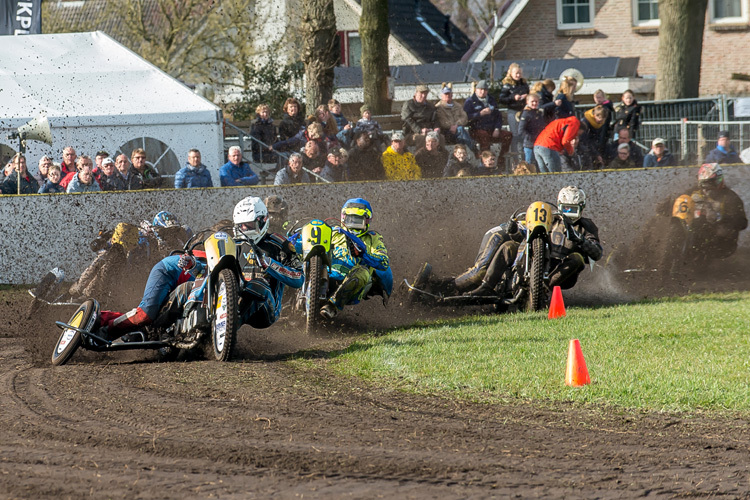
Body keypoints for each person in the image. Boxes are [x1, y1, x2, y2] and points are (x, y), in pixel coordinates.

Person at [160, 196, 305, 332]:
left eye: (249, 225)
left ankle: (227, 329)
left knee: (257, 285)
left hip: (266, 306)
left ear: (262, 221)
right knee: (185, 288)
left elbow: (299, 279)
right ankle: (156, 327)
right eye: (241, 226)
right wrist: (194, 266)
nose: (245, 230)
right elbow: (212, 271)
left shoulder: (280, 244)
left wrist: (270, 264)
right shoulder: (232, 243)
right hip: (230, 296)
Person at [465, 186, 602, 296]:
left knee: (577, 258)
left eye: (573, 209)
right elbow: (525, 238)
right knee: (509, 246)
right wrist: (513, 232)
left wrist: (580, 239)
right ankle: (487, 286)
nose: (568, 213)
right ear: (559, 205)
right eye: (565, 208)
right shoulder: (549, 218)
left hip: (562, 271)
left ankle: (543, 288)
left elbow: (597, 253)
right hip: (536, 261)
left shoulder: (586, 225)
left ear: (581, 208)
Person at [319, 198, 390, 319]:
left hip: (355, 282)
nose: (353, 223)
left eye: (358, 220)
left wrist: (363, 254)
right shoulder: (333, 232)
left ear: (367, 220)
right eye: (351, 219)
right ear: (343, 218)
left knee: (363, 272)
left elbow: (384, 262)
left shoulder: (373, 238)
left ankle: (332, 306)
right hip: (328, 275)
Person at [672, 163, 747, 259]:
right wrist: (669, 203)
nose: (708, 188)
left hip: (721, 243)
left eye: (712, 183)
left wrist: (720, 218)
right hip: (694, 229)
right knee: (687, 215)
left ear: (720, 180)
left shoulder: (730, 198)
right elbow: (679, 201)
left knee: (702, 223)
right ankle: (672, 248)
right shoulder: (694, 191)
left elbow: (743, 223)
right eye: (705, 183)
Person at [463, 80, 511, 154]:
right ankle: (485, 161)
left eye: (485, 90)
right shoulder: (470, 101)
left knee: (508, 135)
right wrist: (480, 114)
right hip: (476, 130)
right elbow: (466, 117)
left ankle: (501, 160)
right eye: (480, 89)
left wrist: (497, 128)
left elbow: (498, 116)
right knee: (484, 136)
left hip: (492, 130)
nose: (483, 92)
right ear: (476, 90)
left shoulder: (491, 100)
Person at [497, 63, 530, 153]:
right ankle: (516, 157)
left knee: (524, 134)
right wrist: (513, 97)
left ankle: (524, 156)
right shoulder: (507, 85)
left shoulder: (524, 84)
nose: (518, 75)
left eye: (519, 73)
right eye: (516, 73)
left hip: (523, 111)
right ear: (511, 73)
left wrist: (527, 97)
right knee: (515, 135)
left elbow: (529, 94)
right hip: (513, 111)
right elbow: (501, 99)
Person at [434, 82, 474, 149]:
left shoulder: (458, 105)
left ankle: (461, 153)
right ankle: (474, 149)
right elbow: (442, 122)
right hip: (446, 132)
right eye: (445, 94)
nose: (447, 95)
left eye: (449, 94)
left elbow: (464, 118)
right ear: (442, 95)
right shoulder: (439, 107)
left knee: (460, 133)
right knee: (461, 131)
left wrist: (456, 125)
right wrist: (452, 126)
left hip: (458, 130)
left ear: (452, 95)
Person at [401, 84, 439, 150]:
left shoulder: (430, 106)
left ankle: (437, 158)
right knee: (422, 138)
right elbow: (407, 120)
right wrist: (420, 130)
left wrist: (436, 128)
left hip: (429, 132)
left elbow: (435, 119)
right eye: (421, 93)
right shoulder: (408, 104)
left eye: (425, 93)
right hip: (411, 134)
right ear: (416, 93)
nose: (423, 96)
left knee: (440, 137)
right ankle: (420, 158)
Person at [517, 93, 546, 165]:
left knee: (540, 164)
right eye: (532, 101)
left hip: (539, 144)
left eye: (536, 101)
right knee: (530, 165)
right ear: (527, 102)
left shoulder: (539, 113)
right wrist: (530, 137)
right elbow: (521, 130)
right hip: (529, 145)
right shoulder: (526, 114)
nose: (534, 103)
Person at [578, 105, 609, 169]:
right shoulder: (585, 123)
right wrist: (596, 154)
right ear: (594, 116)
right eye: (599, 121)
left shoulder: (600, 124)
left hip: (594, 147)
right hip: (585, 148)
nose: (601, 122)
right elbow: (585, 140)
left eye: (603, 121)